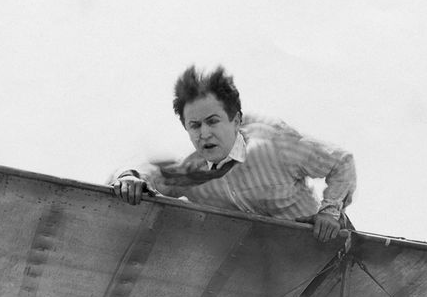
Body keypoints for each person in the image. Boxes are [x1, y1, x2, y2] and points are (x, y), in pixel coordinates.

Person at [112, 64, 356, 243]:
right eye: (195, 126)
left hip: (324, 247)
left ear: (236, 120)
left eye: (213, 121)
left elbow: (341, 162)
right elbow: (150, 173)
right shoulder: (192, 172)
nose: (204, 134)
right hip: (268, 265)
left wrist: (330, 212)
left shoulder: (274, 144)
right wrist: (129, 176)